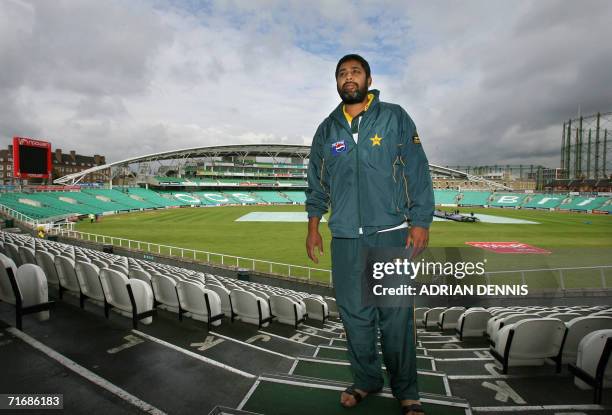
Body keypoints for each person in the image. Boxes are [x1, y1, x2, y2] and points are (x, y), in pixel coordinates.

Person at [305, 54, 434, 414]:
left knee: (395, 318)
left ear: (368, 78)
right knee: (355, 319)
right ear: (336, 82)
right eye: (342, 73)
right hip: (345, 239)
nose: (349, 78)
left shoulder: (394, 116)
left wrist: (420, 220)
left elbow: (417, 170)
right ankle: (366, 380)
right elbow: (317, 184)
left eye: (355, 72)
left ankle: (407, 391)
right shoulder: (327, 129)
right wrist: (314, 226)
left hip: (391, 234)